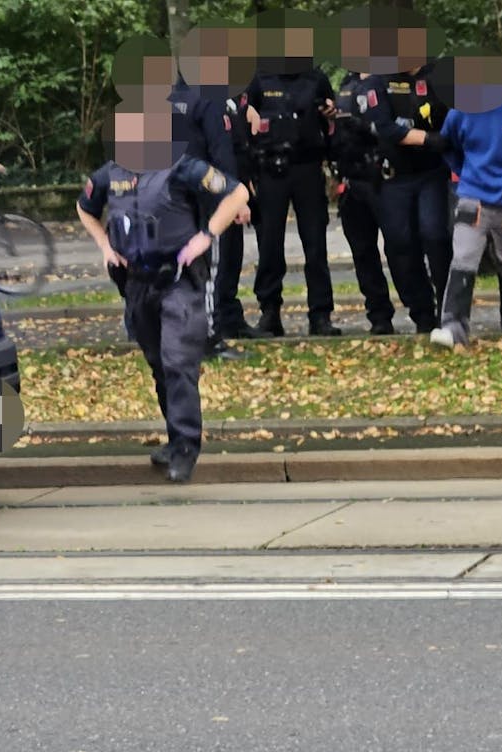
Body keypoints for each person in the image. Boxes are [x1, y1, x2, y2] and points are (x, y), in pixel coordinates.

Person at [75, 108, 250, 483]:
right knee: (158, 364)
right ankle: (174, 439)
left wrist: (207, 236)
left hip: (179, 280)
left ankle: (186, 447)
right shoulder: (111, 173)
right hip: (137, 282)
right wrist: (106, 247)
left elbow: (237, 193)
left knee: (177, 362)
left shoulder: (183, 167)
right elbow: (85, 207)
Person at [429, 55, 502, 349]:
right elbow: (448, 145)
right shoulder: (461, 110)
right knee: (463, 260)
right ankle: (453, 329)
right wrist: (468, 174)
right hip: (473, 199)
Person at [242, 42, 340, 337]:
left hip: (308, 168)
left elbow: (331, 119)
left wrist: (330, 113)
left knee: (315, 243)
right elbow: (244, 124)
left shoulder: (315, 77)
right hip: (271, 171)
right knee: (270, 243)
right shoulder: (259, 78)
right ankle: (269, 311)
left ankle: (320, 315)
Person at [170, 72, 257, 358]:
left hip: (165, 195)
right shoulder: (209, 99)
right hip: (203, 193)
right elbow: (220, 149)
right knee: (208, 268)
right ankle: (209, 338)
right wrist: (234, 198)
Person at [361, 58, 452, 335]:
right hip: (394, 178)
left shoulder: (440, 77)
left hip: (431, 173)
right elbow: (386, 129)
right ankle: (421, 313)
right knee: (401, 245)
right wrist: (428, 138)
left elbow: (455, 118)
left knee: (435, 236)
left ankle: (448, 310)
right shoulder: (378, 80)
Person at [327, 71, 397, 334]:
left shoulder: (389, 81)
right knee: (363, 254)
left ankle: (423, 312)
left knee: (400, 249)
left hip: (384, 178)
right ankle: (379, 316)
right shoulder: (345, 84)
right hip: (351, 179)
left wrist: (364, 126)